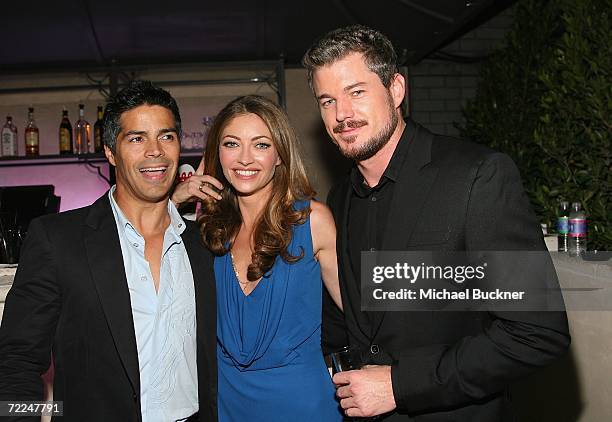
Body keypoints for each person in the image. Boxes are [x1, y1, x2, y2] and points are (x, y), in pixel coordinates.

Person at [302, 25, 571, 421]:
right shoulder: (341, 197)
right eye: (327, 101)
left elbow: (536, 333)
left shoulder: (477, 176)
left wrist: (400, 384)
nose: (341, 114)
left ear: (396, 89)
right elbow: (354, 315)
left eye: (356, 92)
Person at [0, 80, 217, 422]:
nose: (155, 151)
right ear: (111, 153)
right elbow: (16, 363)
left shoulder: (205, 244)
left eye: (166, 136)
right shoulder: (58, 240)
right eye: (136, 138)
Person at [172, 94, 343, 421]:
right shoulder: (207, 231)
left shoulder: (313, 221)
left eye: (261, 145)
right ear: (216, 155)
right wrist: (176, 199)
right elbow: (132, 253)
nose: (245, 158)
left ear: (280, 154)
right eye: (232, 144)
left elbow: (363, 315)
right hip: (227, 405)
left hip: (305, 406)